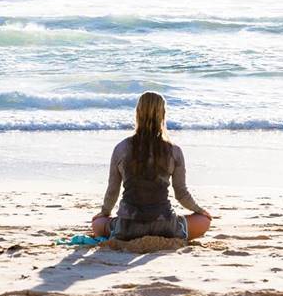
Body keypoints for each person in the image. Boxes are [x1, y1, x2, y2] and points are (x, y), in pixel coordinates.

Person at [91, 91, 212, 241]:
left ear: (138, 113)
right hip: (165, 225)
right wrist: (199, 210)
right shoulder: (174, 150)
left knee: (97, 223)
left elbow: (112, 191)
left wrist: (104, 212)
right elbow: (181, 194)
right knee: (204, 221)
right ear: (163, 114)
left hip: (127, 227)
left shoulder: (121, 148)